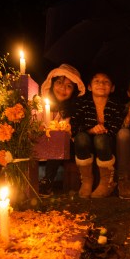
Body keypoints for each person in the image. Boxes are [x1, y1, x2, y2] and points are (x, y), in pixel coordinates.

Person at [72, 70, 124, 198]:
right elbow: (75, 125)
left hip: (106, 142)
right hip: (87, 140)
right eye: (97, 81)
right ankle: (86, 181)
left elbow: (117, 125)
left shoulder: (115, 105)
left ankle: (107, 182)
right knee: (81, 138)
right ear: (89, 87)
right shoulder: (82, 103)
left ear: (112, 88)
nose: (101, 84)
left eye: (106, 82)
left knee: (100, 139)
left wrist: (104, 131)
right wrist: (91, 130)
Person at [38, 64, 86, 197]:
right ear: (52, 84)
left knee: (57, 137)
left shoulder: (74, 110)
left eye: (69, 86)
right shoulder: (40, 104)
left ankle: (47, 181)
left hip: (67, 146)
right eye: (59, 82)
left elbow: (71, 133)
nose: (62, 88)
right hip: (41, 141)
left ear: (74, 91)